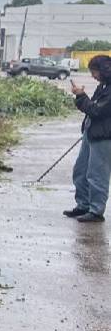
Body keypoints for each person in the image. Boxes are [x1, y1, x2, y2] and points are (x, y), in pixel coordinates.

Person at [65, 55, 111, 222]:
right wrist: (82, 97)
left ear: (105, 70)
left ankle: (96, 211)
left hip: (104, 137)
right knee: (81, 171)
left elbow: (97, 111)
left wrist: (81, 97)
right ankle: (83, 205)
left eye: (95, 72)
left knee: (97, 174)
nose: (93, 76)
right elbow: (92, 108)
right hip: (92, 133)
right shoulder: (103, 86)